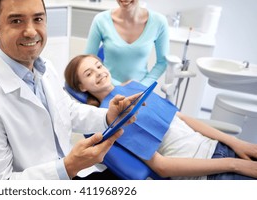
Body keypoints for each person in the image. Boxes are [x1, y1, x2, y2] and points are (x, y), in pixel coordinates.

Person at [0, 0, 139, 180]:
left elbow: (67, 112)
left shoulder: (45, 68)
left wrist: (107, 116)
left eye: (38, 19)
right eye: (16, 21)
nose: (30, 31)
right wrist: (68, 167)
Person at [64, 54, 257, 180]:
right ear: (82, 87)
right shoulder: (107, 119)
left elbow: (181, 118)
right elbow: (162, 167)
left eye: (99, 66)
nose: (98, 73)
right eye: (89, 73)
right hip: (206, 172)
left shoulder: (133, 85)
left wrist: (235, 143)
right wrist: (234, 165)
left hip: (219, 148)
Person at [85, 0, 169, 87]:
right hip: (108, 87)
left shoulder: (159, 22)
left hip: (141, 90)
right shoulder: (101, 20)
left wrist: (142, 86)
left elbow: (162, 62)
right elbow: (88, 60)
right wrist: (119, 86)